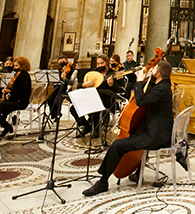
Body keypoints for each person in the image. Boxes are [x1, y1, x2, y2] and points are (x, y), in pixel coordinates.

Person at [82, 60, 174, 197]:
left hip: (156, 136)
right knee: (127, 140)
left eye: (154, 69)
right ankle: (137, 172)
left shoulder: (162, 89)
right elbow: (145, 95)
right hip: (153, 130)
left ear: (159, 74)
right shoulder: (162, 85)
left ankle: (102, 182)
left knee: (117, 145)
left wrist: (139, 81)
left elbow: (141, 100)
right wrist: (142, 79)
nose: (152, 70)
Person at [0, 56, 32, 140]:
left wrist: (10, 92)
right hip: (14, 100)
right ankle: (6, 127)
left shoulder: (24, 76)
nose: (14, 68)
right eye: (14, 66)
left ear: (22, 66)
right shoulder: (17, 75)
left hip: (21, 102)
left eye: (16, 66)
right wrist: (8, 93)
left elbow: (24, 91)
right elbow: (14, 89)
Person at [72, 55, 117, 136]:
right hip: (91, 97)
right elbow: (81, 84)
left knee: (95, 104)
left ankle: (96, 128)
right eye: (98, 64)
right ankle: (86, 126)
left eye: (102, 63)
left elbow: (118, 90)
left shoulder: (113, 74)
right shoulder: (94, 72)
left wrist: (111, 85)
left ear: (106, 63)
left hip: (105, 100)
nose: (100, 66)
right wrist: (83, 85)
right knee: (73, 108)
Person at [43, 57, 74, 125]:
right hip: (57, 89)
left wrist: (65, 77)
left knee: (58, 100)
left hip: (65, 89)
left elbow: (71, 80)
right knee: (50, 99)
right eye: (60, 62)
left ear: (66, 60)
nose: (62, 63)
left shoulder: (70, 69)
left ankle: (58, 115)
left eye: (63, 61)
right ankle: (54, 114)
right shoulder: (59, 70)